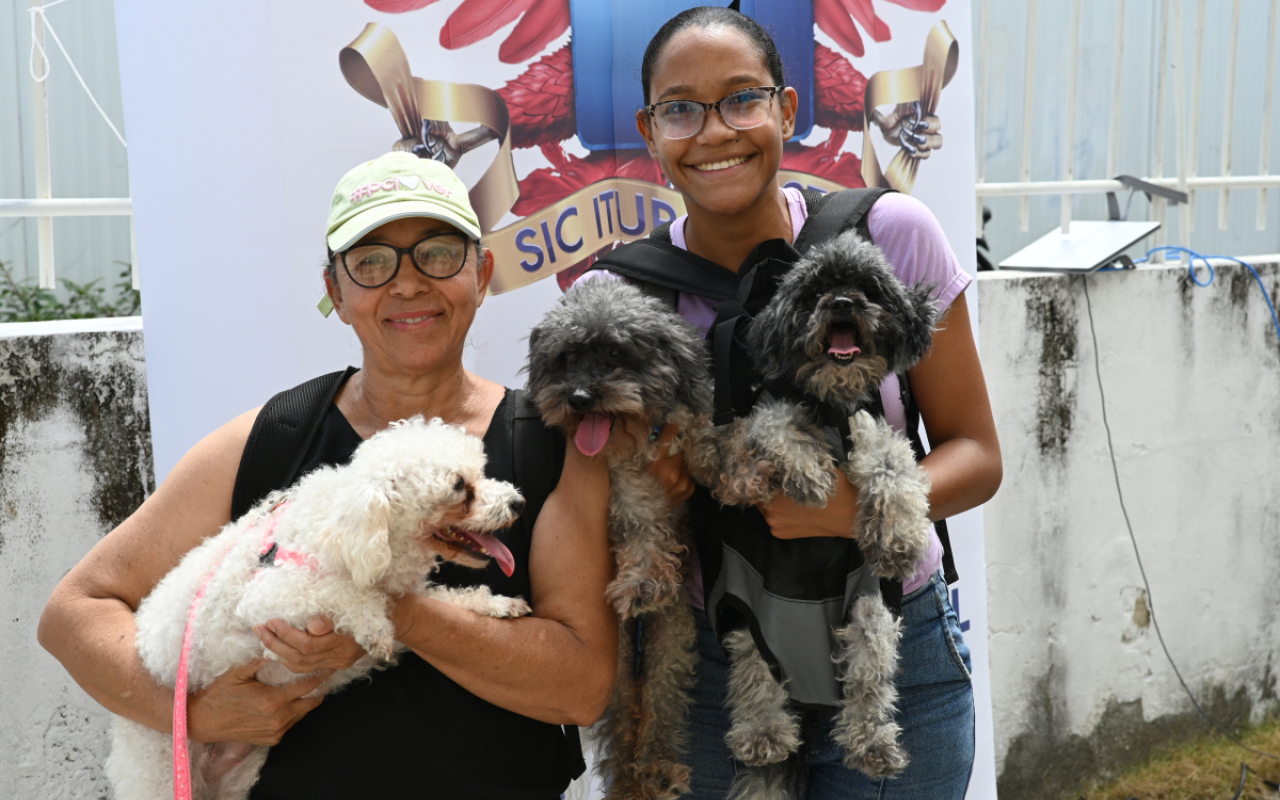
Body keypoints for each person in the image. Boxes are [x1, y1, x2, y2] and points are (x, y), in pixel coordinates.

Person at [38, 152, 616, 800]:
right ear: (336, 292)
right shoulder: (271, 440)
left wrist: (393, 613)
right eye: (372, 262)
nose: (407, 284)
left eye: (437, 254)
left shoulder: (549, 445)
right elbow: (72, 614)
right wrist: (196, 714)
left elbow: (582, 688)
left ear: (481, 275)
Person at [595, 7, 1003, 799]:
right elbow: (607, 495)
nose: (715, 131)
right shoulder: (624, 296)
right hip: (719, 658)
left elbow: (978, 456)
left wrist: (855, 508)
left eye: (742, 99)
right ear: (650, 131)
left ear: (786, 110)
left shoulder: (889, 235)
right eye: (681, 109)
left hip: (892, 644)